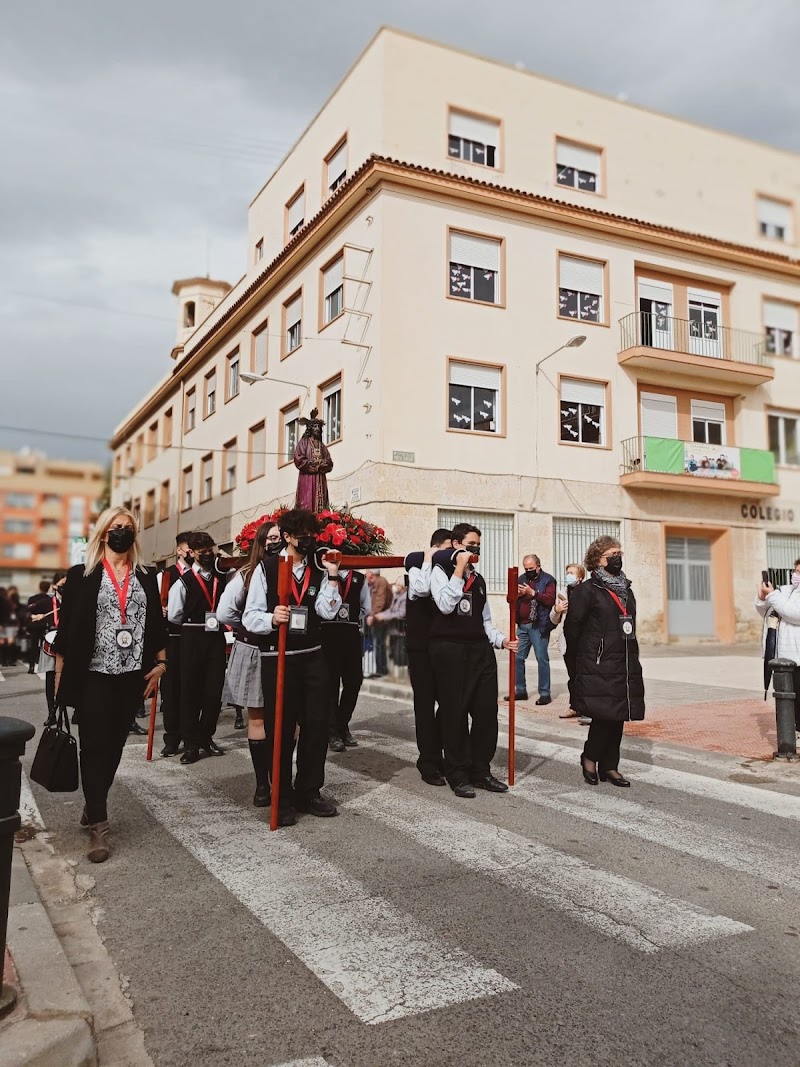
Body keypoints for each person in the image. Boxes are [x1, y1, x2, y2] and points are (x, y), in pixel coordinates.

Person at [53, 507, 168, 863]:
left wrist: (162, 664)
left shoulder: (146, 576)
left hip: (131, 673)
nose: (122, 532)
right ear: (104, 533)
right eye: (117, 527)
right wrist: (59, 685)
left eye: (128, 528)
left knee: (116, 744)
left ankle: (93, 802)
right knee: (94, 745)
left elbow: (156, 623)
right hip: (93, 674)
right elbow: (67, 632)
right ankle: (100, 825)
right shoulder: (82, 575)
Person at [242, 508, 343, 827]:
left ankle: (309, 790)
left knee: (316, 725)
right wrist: (272, 618)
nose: (309, 541)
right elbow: (249, 616)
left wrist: (332, 576)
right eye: (303, 536)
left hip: (312, 654)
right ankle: (281, 796)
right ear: (287, 537)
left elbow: (327, 612)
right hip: (278, 656)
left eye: (313, 535)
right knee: (281, 730)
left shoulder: (318, 566)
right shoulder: (267, 568)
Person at [429, 523, 518, 797]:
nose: (475, 549)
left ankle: (481, 770)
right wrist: (458, 569)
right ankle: (457, 772)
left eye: (478, 545)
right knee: (454, 713)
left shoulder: (478, 580)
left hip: (480, 651)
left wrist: (501, 639)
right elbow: (445, 604)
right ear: (456, 545)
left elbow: (485, 620)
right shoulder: (439, 571)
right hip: (450, 650)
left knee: (485, 713)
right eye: (470, 544)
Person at [564, 536, 645, 788]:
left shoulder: (626, 589)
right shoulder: (587, 591)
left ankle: (610, 765)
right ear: (598, 559)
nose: (617, 557)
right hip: (598, 661)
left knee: (618, 714)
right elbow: (573, 629)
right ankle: (590, 757)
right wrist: (585, 659)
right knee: (604, 715)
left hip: (624, 659)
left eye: (619, 552)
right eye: (612, 553)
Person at [217, 522, 282, 805]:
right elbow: (224, 613)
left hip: (283, 650)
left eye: (280, 537)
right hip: (254, 648)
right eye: (271, 538)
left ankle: (279, 779)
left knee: (285, 718)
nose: (276, 541)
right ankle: (261, 785)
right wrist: (247, 627)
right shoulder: (246, 574)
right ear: (260, 542)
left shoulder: (287, 569)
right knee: (258, 716)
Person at [167, 531, 228, 765]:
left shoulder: (220, 577)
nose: (206, 556)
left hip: (215, 637)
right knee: (190, 692)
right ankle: (191, 744)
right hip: (191, 636)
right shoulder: (183, 581)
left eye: (209, 551)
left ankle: (206, 736)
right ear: (191, 553)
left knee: (214, 692)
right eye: (201, 553)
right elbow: (174, 614)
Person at [405, 528, 452, 785]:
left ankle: (441, 753)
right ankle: (428, 761)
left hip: (442, 646)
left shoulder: (448, 569)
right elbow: (421, 590)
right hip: (420, 647)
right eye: (445, 549)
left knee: (447, 702)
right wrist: (427, 559)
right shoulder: (416, 562)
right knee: (424, 705)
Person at [322, 551, 370, 753]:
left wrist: (354, 619)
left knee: (354, 681)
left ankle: (343, 723)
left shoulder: (359, 578)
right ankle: (332, 731)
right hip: (327, 632)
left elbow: (367, 607)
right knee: (330, 684)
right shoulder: (323, 574)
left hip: (350, 633)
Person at [156, 532, 194, 756]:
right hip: (171, 639)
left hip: (193, 638)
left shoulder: (201, 573)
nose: (191, 552)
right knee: (170, 691)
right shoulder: (166, 576)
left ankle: (193, 737)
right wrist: (159, 612)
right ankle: (171, 738)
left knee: (191, 689)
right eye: (188, 548)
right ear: (179, 550)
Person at [757, 559, 800, 733]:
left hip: (797, 657)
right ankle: (790, 733)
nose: (796, 575)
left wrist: (773, 595)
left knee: (798, 697)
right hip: (780, 655)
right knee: (785, 698)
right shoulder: (785, 590)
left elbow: (794, 614)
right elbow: (768, 612)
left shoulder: (780, 594)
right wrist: (762, 599)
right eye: (796, 571)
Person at [508, 554, 556, 705]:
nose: (528, 571)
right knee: (517, 658)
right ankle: (520, 690)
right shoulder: (521, 579)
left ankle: (544, 693)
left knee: (541, 659)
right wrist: (517, 594)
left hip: (538, 625)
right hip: (522, 625)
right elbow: (510, 598)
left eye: (531, 568)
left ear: (538, 566)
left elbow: (550, 599)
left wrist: (533, 593)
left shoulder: (548, 580)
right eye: (526, 568)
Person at [549, 563, 587, 720]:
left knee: (584, 676)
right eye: (567, 572)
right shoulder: (562, 593)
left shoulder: (586, 592)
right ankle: (575, 707)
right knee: (573, 676)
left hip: (584, 641)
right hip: (568, 641)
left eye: (572, 573)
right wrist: (557, 610)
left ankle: (588, 709)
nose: (568, 575)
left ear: (580, 576)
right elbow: (553, 619)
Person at [31, 572, 67, 725]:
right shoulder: (45, 603)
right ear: (54, 586)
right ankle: (51, 713)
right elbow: (26, 613)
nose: (65, 588)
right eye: (62, 585)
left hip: (68, 644)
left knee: (71, 678)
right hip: (50, 644)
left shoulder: (73, 602)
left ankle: (72, 712)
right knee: (50, 680)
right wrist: (34, 617)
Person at [293, 407, 333, 511]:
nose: (317, 429)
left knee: (322, 506)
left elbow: (329, 462)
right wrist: (315, 464)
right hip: (307, 479)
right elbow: (299, 460)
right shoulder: (303, 443)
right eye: (315, 426)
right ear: (310, 428)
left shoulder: (322, 446)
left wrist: (323, 464)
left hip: (320, 479)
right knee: (307, 504)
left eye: (319, 427)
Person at [366, 570, 393, 677]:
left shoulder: (380, 581)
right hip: (377, 617)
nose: (366, 574)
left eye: (367, 572)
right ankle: (379, 669)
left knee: (379, 644)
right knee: (377, 643)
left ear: (372, 573)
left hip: (380, 619)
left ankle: (381, 670)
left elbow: (379, 600)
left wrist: (372, 615)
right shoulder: (374, 582)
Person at [26, 580, 54, 674]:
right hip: (44, 625)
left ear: (39, 587)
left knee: (33, 645)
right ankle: (42, 665)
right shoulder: (50, 600)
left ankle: (31, 666)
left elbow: (28, 611)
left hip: (33, 625)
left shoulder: (32, 598)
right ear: (48, 588)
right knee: (44, 646)